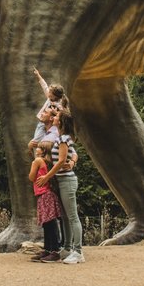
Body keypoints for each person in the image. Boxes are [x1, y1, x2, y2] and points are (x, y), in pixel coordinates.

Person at [37, 107, 84, 264]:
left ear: (61, 121)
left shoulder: (63, 139)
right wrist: (72, 161)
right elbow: (70, 156)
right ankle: (67, 247)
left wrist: (47, 176)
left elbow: (62, 161)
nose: (54, 117)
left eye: (56, 116)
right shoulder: (60, 137)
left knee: (72, 217)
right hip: (62, 181)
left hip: (67, 181)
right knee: (65, 217)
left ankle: (78, 251)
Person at [29, 141, 62, 263]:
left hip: (44, 194)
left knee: (49, 224)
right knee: (48, 223)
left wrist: (33, 162)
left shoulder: (37, 161)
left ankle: (54, 252)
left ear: (43, 151)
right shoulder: (49, 162)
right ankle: (48, 250)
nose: (36, 149)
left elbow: (31, 178)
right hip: (49, 194)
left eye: (38, 147)